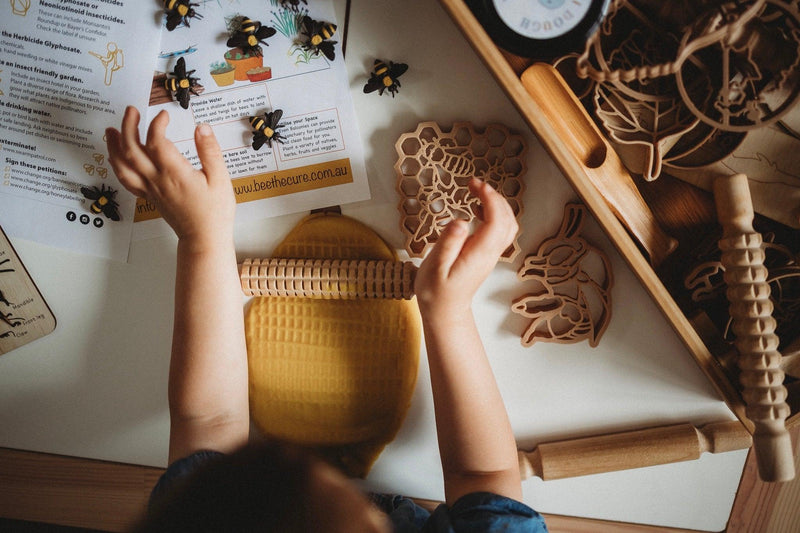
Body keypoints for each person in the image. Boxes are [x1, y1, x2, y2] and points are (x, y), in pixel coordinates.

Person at [106, 106, 548, 532]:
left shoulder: (201, 519)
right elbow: (485, 476)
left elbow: (208, 420)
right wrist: (449, 314)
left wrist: (202, 236)